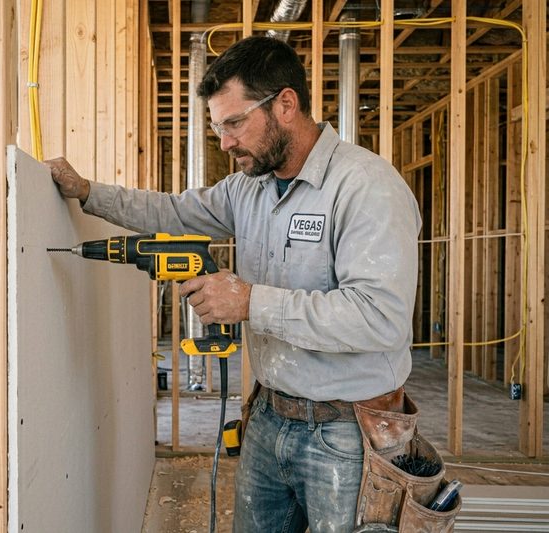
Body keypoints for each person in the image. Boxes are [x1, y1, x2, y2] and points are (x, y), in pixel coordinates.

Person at [45, 35, 421, 533]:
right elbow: (174, 211)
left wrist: (250, 302)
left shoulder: (366, 187)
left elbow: (380, 319)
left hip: (349, 433)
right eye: (217, 127)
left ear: (286, 104)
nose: (224, 142)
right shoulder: (250, 187)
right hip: (268, 415)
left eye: (235, 123)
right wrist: (89, 193)